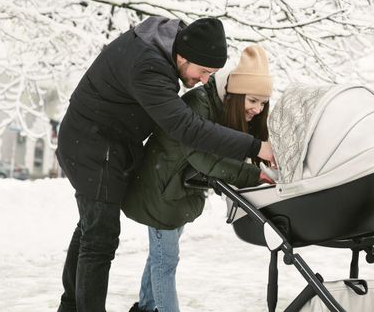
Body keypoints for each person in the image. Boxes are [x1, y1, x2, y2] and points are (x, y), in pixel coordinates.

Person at [55, 17, 275, 312]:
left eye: (213, 74)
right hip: (94, 145)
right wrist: (255, 146)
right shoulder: (150, 67)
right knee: (100, 239)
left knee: (90, 228)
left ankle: (69, 307)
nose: (205, 80)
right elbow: (187, 128)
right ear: (183, 57)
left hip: (108, 142)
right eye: (204, 71)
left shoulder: (168, 45)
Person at [122, 45, 275, 312]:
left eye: (262, 103)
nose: (258, 109)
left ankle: (148, 306)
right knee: (165, 261)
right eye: (252, 101)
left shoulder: (218, 108)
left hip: (176, 191)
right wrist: (253, 174)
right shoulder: (197, 104)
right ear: (236, 95)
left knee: (161, 257)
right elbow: (204, 158)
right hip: (160, 191)